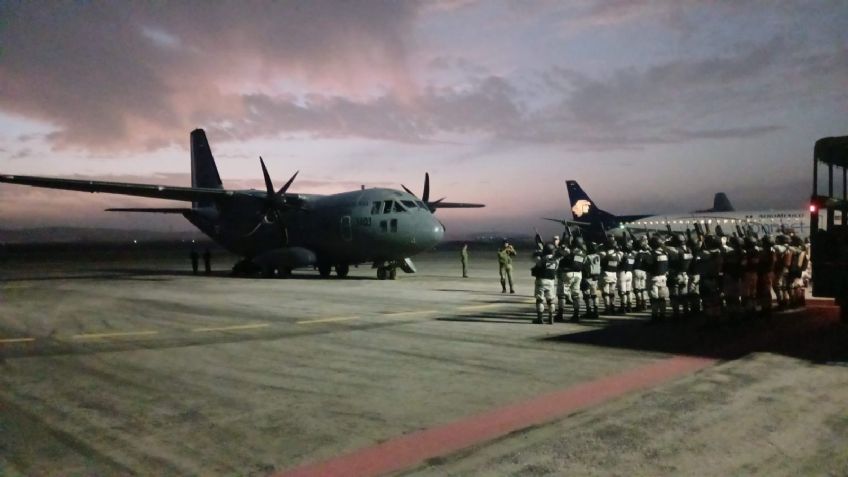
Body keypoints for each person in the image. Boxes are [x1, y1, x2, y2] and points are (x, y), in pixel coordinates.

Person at [558, 236, 585, 321]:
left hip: (568, 273)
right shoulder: (583, 252)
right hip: (578, 274)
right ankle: (576, 315)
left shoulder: (569, 251)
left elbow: (560, 253)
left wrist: (563, 246)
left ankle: (560, 315)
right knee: (575, 295)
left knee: (562, 295)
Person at [532, 243, 559, 324]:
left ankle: (540, 319)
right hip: (551, 281)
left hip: (541, 280)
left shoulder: (541, 260)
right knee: (550, 300)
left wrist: (539, 251)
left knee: (539, 300)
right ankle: (551, 318)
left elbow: (535, 258)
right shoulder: (556, 261)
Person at [646, 235, 670, 321]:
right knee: (662, 298)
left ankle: (655, 316)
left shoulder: (650, 254)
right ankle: (663, 315)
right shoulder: (665, 254)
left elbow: (648, 265)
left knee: (654, 299)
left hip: (654, 278)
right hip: (663, 278)